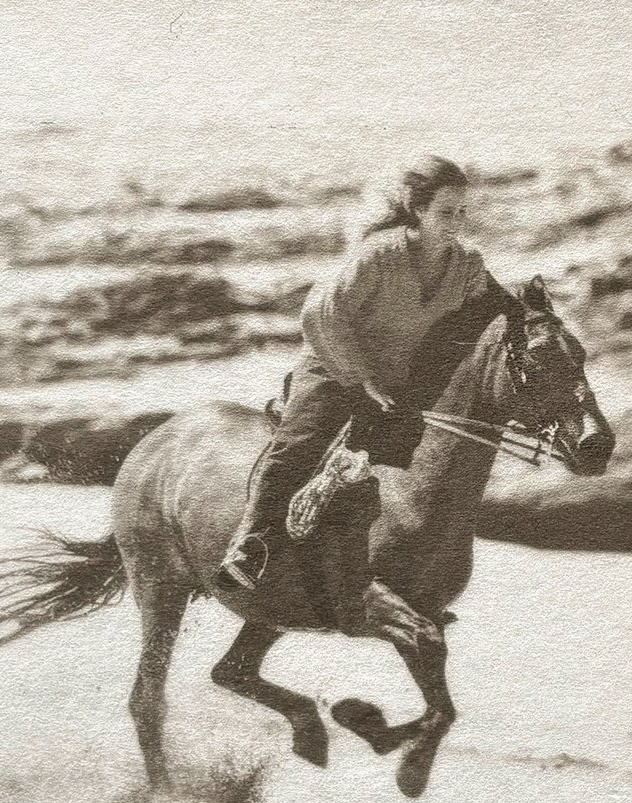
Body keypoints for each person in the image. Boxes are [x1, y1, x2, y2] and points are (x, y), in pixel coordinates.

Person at [213, 155, 509, 592]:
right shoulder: (378, 255)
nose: (457, 222)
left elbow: (495, 305)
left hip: (396, 384)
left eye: (462, 211)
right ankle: (251, 542)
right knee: (300, 445)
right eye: (446, 212)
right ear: (417, 209)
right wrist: (364, 379)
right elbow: (320, 314)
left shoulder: (467, 264)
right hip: (333, 366)